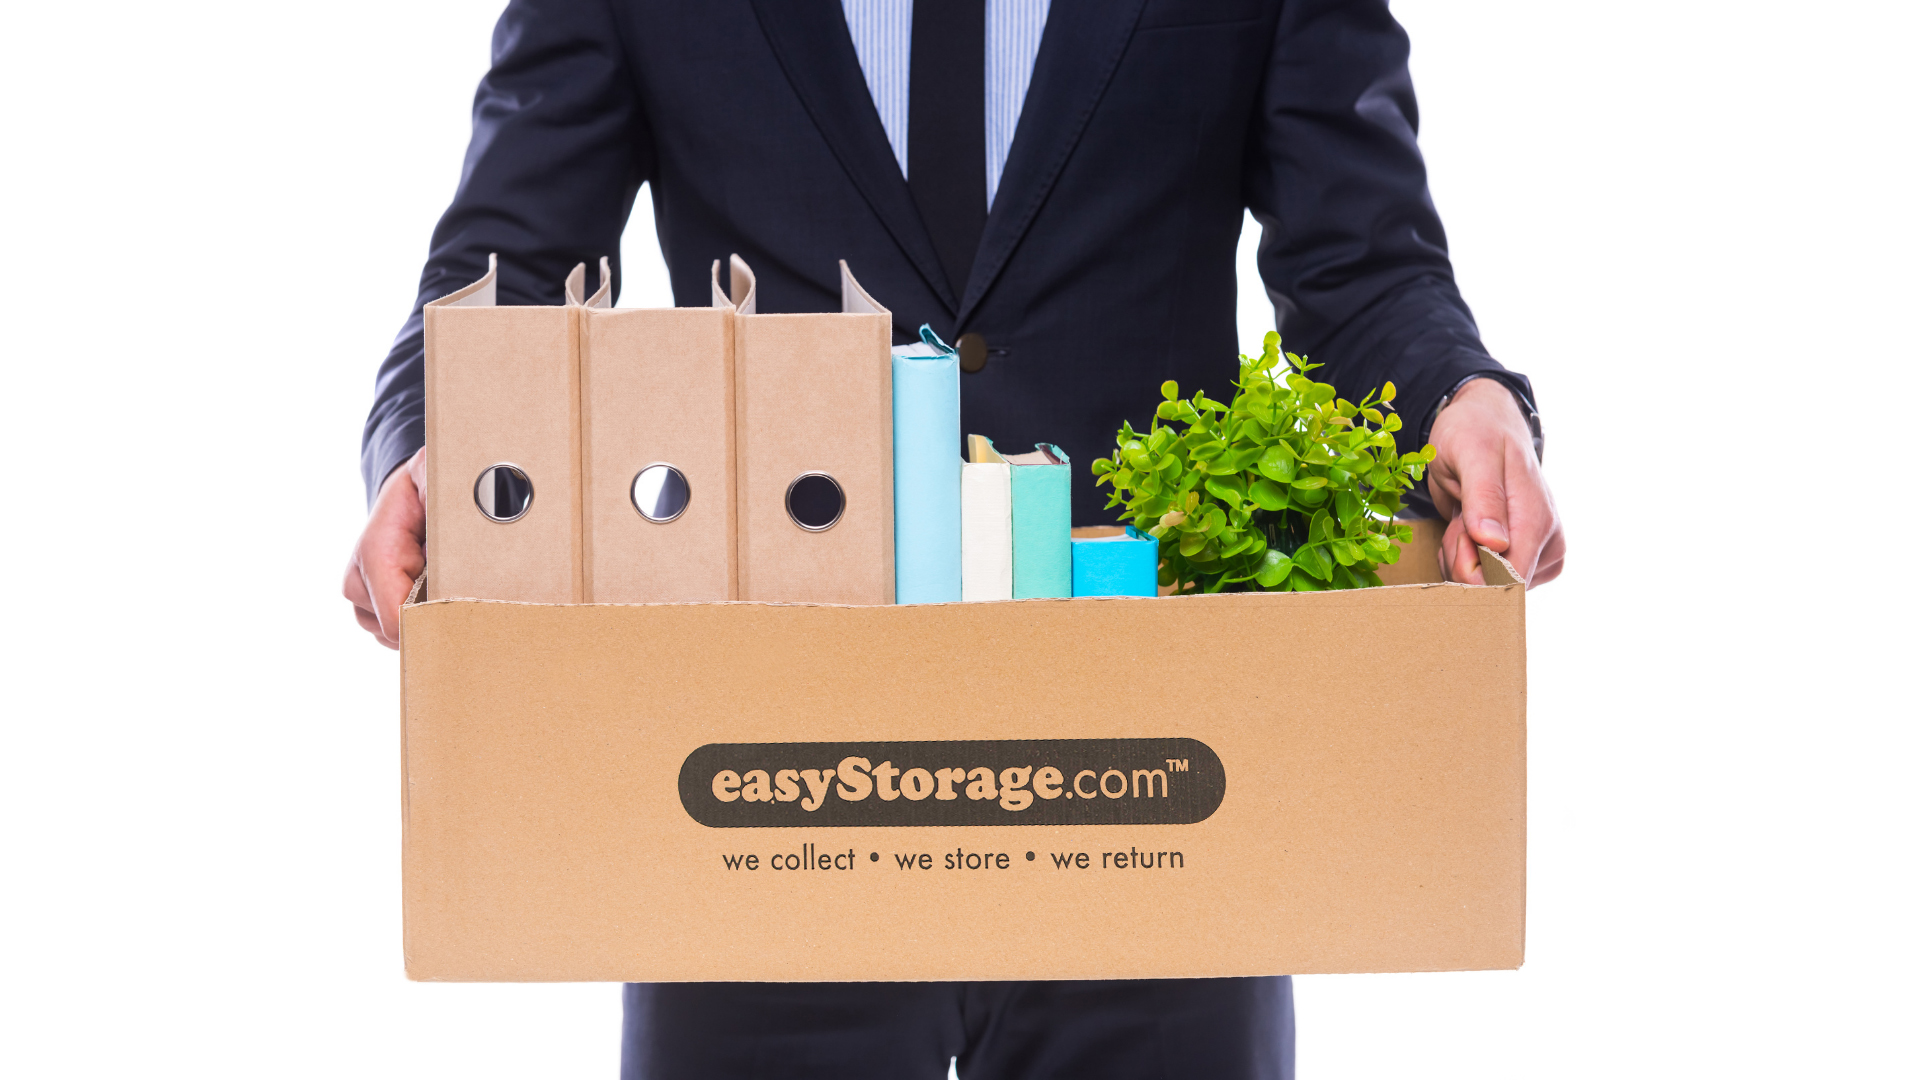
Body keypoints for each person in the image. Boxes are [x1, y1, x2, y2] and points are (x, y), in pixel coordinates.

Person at [345, 1, 1565, 1076]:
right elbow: (503, 269)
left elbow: (1363, 268)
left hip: (1153, 801)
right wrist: (429, 450)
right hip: (763, 802)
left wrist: (1464, 396)